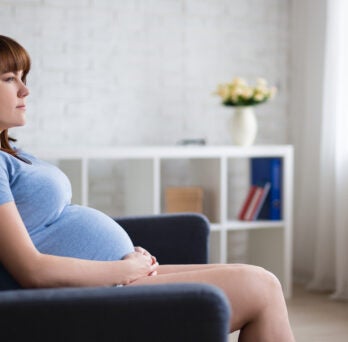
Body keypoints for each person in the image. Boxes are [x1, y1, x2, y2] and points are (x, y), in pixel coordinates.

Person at [0, 34, 295, 341]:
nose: (25, 90)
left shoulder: (12, 155)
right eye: (10, 79)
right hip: (84, 298)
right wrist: (123, 270)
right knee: (260, 287)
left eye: (23, 78)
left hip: (109, 283)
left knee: (265, 282)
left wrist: (128, 259)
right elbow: (32, 271)